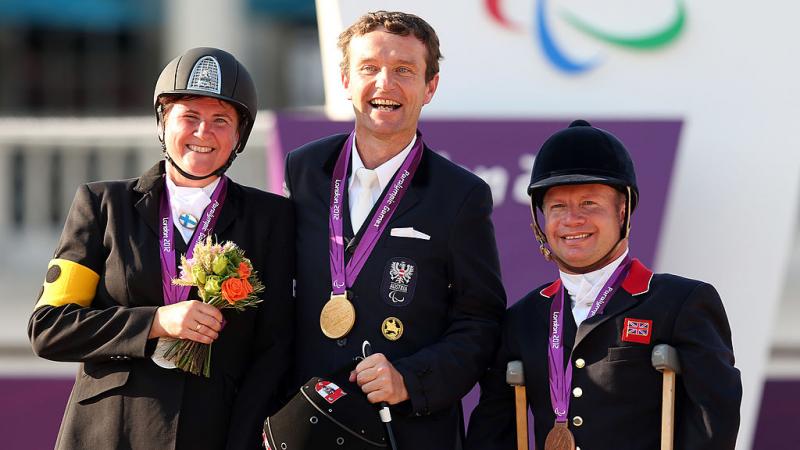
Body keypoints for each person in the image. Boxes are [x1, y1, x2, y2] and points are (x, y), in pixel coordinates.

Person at [28, 47, 294, 450]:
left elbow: (274, 352)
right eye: (189, 116)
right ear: (162, 122)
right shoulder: (102, 206)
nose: (204, 132)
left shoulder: (270, 218)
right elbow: (50, 327)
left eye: (221, 120)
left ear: (239, 135)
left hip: (212, 431)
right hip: (110, 431)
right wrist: (154, 322)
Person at [283, 11, 506, 449]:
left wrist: (410, 379)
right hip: (305, 424)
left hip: (404, 432)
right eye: (369, 68)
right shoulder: (304, 169)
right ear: (346, 80)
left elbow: (481, 321)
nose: (385, 84)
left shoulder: (461, 195)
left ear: (430, 87)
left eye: (404, 70)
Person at [466, 120, 742, 449]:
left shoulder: (683, 303)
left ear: (622, 211)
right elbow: (492, 433)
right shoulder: (521, 320)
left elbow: (714, 424)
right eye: (558, 207)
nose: (572, 220)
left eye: (589, 204)